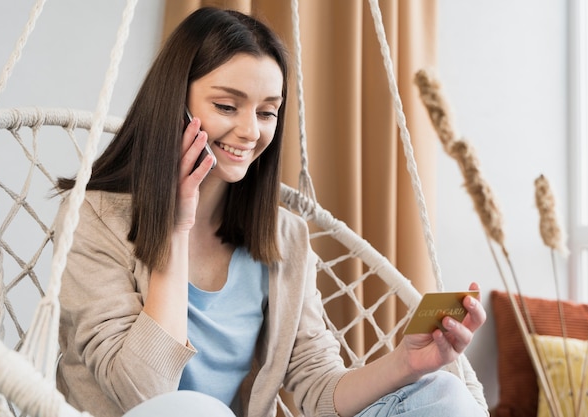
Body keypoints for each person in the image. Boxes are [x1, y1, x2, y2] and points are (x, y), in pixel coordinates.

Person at [54, 6, 487, 417]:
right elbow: (143, 394)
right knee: (197, 410)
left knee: (442, 394)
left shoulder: (284, 237)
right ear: (174, 103)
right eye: (226, 106)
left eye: (266, 112)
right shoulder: (93, 218)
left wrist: (407, 363)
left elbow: (317, 386)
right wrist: (176, 228)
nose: (249, 131)